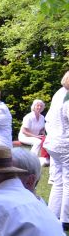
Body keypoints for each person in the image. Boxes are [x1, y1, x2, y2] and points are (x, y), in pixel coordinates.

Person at [44, 70, 69, 225]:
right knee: (67, 181)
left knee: (59, 180)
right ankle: (66, 218)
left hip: (54, 142)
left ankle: (52, 214)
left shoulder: (59, 93)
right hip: (65, 143)